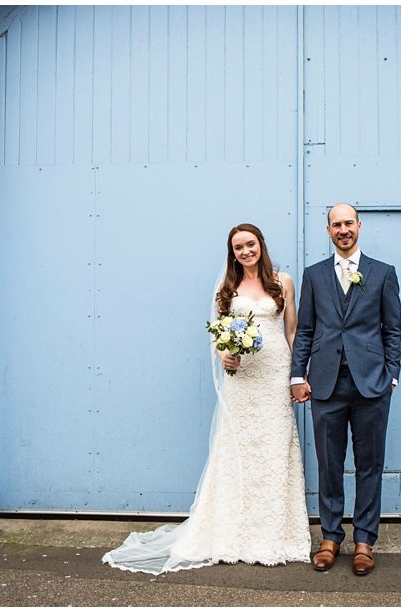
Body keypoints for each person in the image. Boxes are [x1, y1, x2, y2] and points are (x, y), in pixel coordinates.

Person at [102, 223, 311, 574]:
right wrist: (225, 354)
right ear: (232, 254)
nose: (245, 251)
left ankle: (275, 535)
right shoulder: (226, 287)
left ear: (261, 244)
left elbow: (292, 330)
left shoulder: (283, 281)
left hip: (275, 376)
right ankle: (234, 535)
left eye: (250, 244)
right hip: (242, 380)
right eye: (238, 248)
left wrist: (298, 375)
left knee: (275, 451)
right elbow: (218, 335)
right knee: (238, 450)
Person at [290, 203, 401, 576]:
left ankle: (365, 541)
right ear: (328, 231)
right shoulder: (315, 275)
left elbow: (392, 330)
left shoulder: (382, 273)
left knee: (369, 465)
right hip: (325, 385)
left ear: (359, 226)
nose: (343, 229)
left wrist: (391, 373)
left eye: (348, 223)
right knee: (329, 464)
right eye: (336, 224)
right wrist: (297, 375)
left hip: (371, 385)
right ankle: (330, 538)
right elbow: (305, 329)